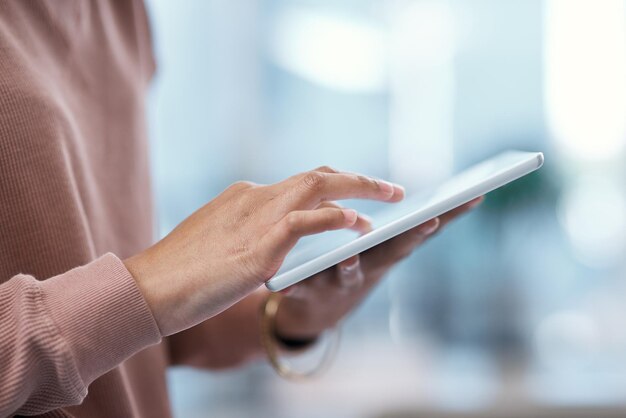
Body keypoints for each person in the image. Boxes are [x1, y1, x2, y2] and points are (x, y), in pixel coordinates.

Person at [0, 2, 481, 417]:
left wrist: (288, 315)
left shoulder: (123, 15)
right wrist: (148, 284)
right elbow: (127, 301)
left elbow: (132, 344)